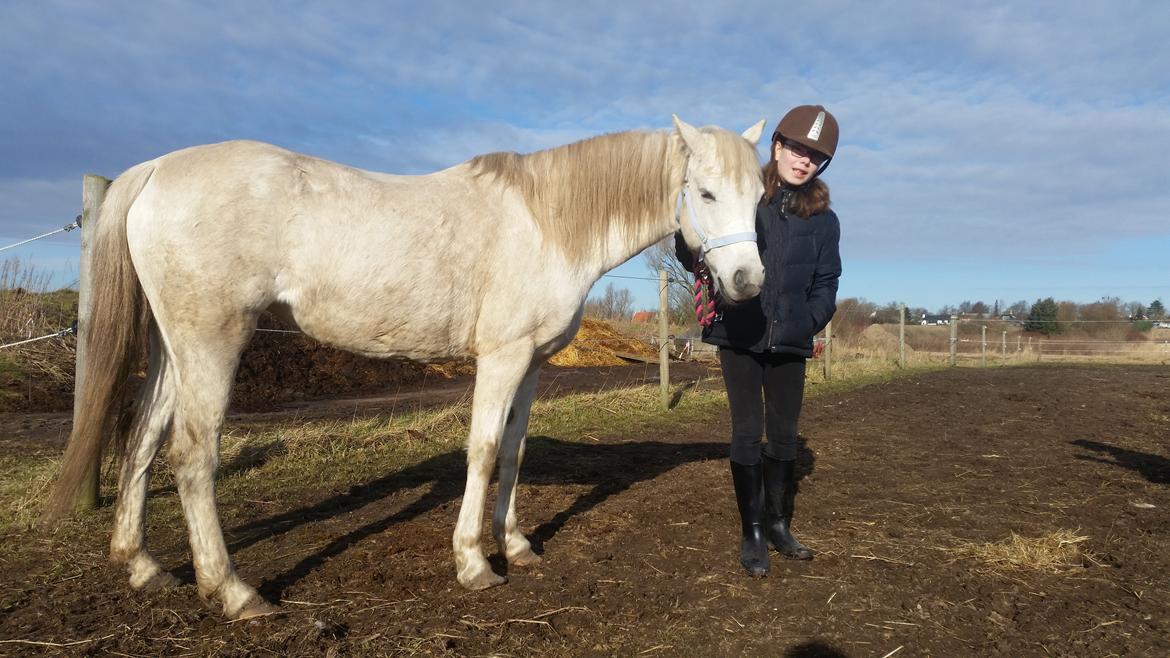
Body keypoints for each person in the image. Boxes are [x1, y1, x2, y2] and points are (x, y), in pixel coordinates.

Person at [676, 105, 841, 577]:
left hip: (790, 339)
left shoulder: (825, 222)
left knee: (785, 437)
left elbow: (827, 280)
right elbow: (704, 243)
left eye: (815, 155)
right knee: (747, 433)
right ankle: (752, 531)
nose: (803, 160)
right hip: (741, 333)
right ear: (777, 146)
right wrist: (685, 238)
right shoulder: (748, 198)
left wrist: (808, 321)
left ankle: (779, 524)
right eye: (796, 148)